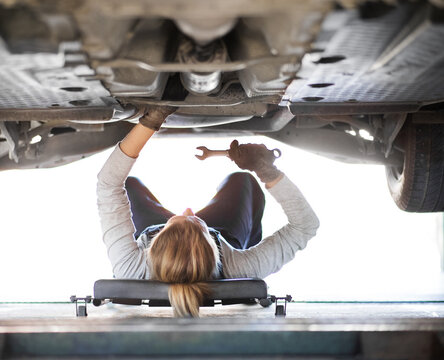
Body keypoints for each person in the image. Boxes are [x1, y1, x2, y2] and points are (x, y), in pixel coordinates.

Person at [97, 107, 319, 317]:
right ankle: (196, 227)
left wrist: (151, 121)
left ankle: (183, 228)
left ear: (153, 244)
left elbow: (109, 184)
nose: (188, 210)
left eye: (174, 221)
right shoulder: (236, 268)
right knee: (242, 181)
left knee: (130, 185)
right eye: (197, 220)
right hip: (225, 243)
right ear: (213, 247)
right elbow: (304, 226)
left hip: (169, 248)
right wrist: (265, 169)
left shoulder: (132, 267)